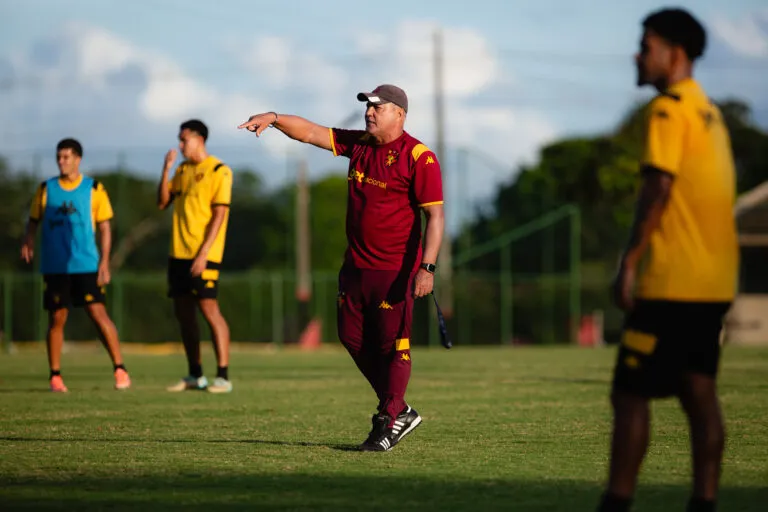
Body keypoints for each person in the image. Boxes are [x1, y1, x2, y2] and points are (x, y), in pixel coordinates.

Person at [238, 84, 445, 451]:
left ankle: (388, 418)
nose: (369, 112)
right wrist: (272, 118)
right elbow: (313, 132)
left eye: (377, 108)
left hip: (395, 270)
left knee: (393, 346)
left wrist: (427, 267)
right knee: (351, 338)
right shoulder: (359, 144)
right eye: (367, 106)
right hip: (355, 267)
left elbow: (435, 216)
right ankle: (400, 409)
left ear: (399, 114)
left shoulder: (419, 156)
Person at [600, 8, 738, 512]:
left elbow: (658, 188)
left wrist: (629, 262)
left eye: (646, 44)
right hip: (714, 282)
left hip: (672, 281)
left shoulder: (668, 110)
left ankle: (617, 501)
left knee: (630, 395)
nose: (637, 54)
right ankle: (705, 502)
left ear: (674, 54)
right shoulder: (711, 112)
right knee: (699, 392)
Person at [20, 138, 131, 392]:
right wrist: (28, 239)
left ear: (78, 159)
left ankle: (120, 369)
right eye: (59, 157)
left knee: (98, 314)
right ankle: (55, 376)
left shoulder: (93, 188)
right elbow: (33, 220)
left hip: (86, 264)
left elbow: (104, 226)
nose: (62, 161)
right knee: (56, 318)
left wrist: (104, 261)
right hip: (55, 265)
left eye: (67, 157)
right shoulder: (46, 189)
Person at [157, 119, 234, 394]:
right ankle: (195, 375)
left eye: (184, 139)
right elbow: (162, 202)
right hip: (178, 252)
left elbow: (220, 214)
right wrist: (166, 169)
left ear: (200, 139)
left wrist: (203, 253)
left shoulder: (218, 170)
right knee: (184, 313)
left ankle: (223, 376)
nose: (180, 145)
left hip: (205, 254)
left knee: (209, 309)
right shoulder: (182, 170)